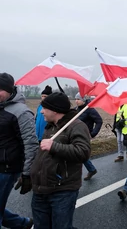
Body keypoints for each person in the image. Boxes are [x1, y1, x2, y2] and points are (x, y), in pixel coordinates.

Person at [30, 92, 91, 229]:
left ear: (55, 110)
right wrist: (31, 174)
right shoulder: (50, 126)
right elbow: (43, 156)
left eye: (44, 108)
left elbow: (83, 152)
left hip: (62, 190)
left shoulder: (77, 126)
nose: (41, 112)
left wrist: (54, 146)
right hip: (40, 190)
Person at [0, 72, 38, 229]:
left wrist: (27, 173)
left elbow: (31, 144)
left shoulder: (21, 112)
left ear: (9, 91)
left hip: (7, 168)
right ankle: (22, 223)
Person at [74, 92, 102, 180]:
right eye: (76, 99)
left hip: (85, 136)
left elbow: (99, 121)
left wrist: (93, 133)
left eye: (78, 99)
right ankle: (91, 169)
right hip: (75, 135)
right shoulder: (76, 109)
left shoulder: (90, 110)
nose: (76, 101)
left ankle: (74, 176)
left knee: (78, 153)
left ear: (83, 100)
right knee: (79, 154)